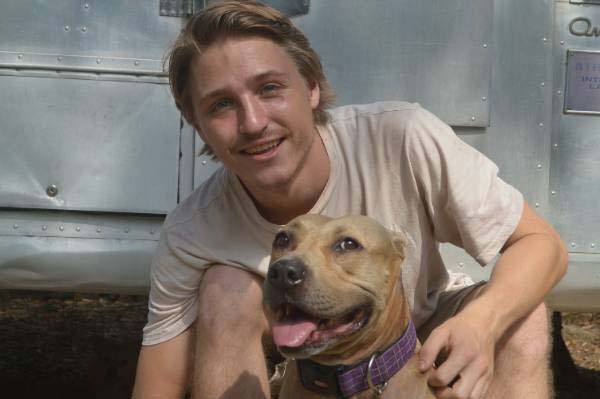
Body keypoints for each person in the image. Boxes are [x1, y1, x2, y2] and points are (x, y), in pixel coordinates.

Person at [132, 1, 568, 398]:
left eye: (269, 89)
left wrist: (483, 323)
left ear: (312, 87)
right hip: (307, 357)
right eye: (222, 105)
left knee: (521, 317)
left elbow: (540, 243)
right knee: (224, 289)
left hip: (425, 325)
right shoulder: (194, 231)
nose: (253, 122)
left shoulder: (400, 137)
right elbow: (159, 384)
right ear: (196, 122)